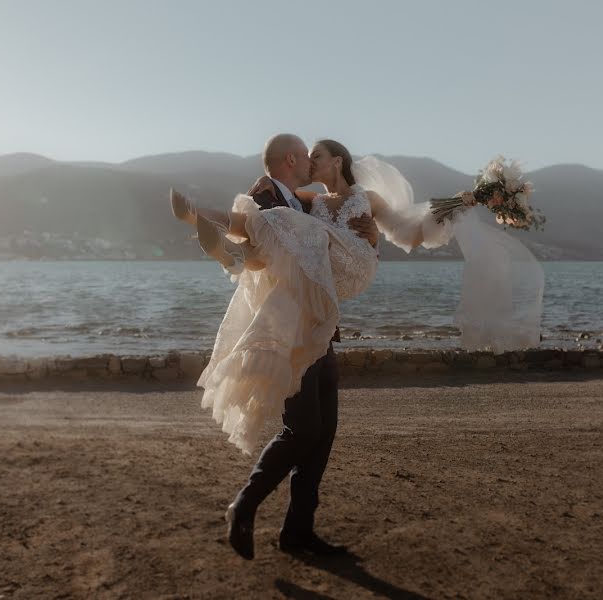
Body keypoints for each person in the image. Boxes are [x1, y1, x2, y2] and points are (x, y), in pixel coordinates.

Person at [170, 134, 454, 559]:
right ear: (293, 159)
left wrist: (374, 236)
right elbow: (249, 221)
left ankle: (298, 531)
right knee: (302, 430)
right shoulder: (272, 194)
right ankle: (243, 505)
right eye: (307, 156)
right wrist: (201, 218)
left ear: (337, 162)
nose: (311, 163)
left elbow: (398, 233)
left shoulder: (309, 200)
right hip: (291, 332)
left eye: (318, 157)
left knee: (322, 435)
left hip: (322, 329)